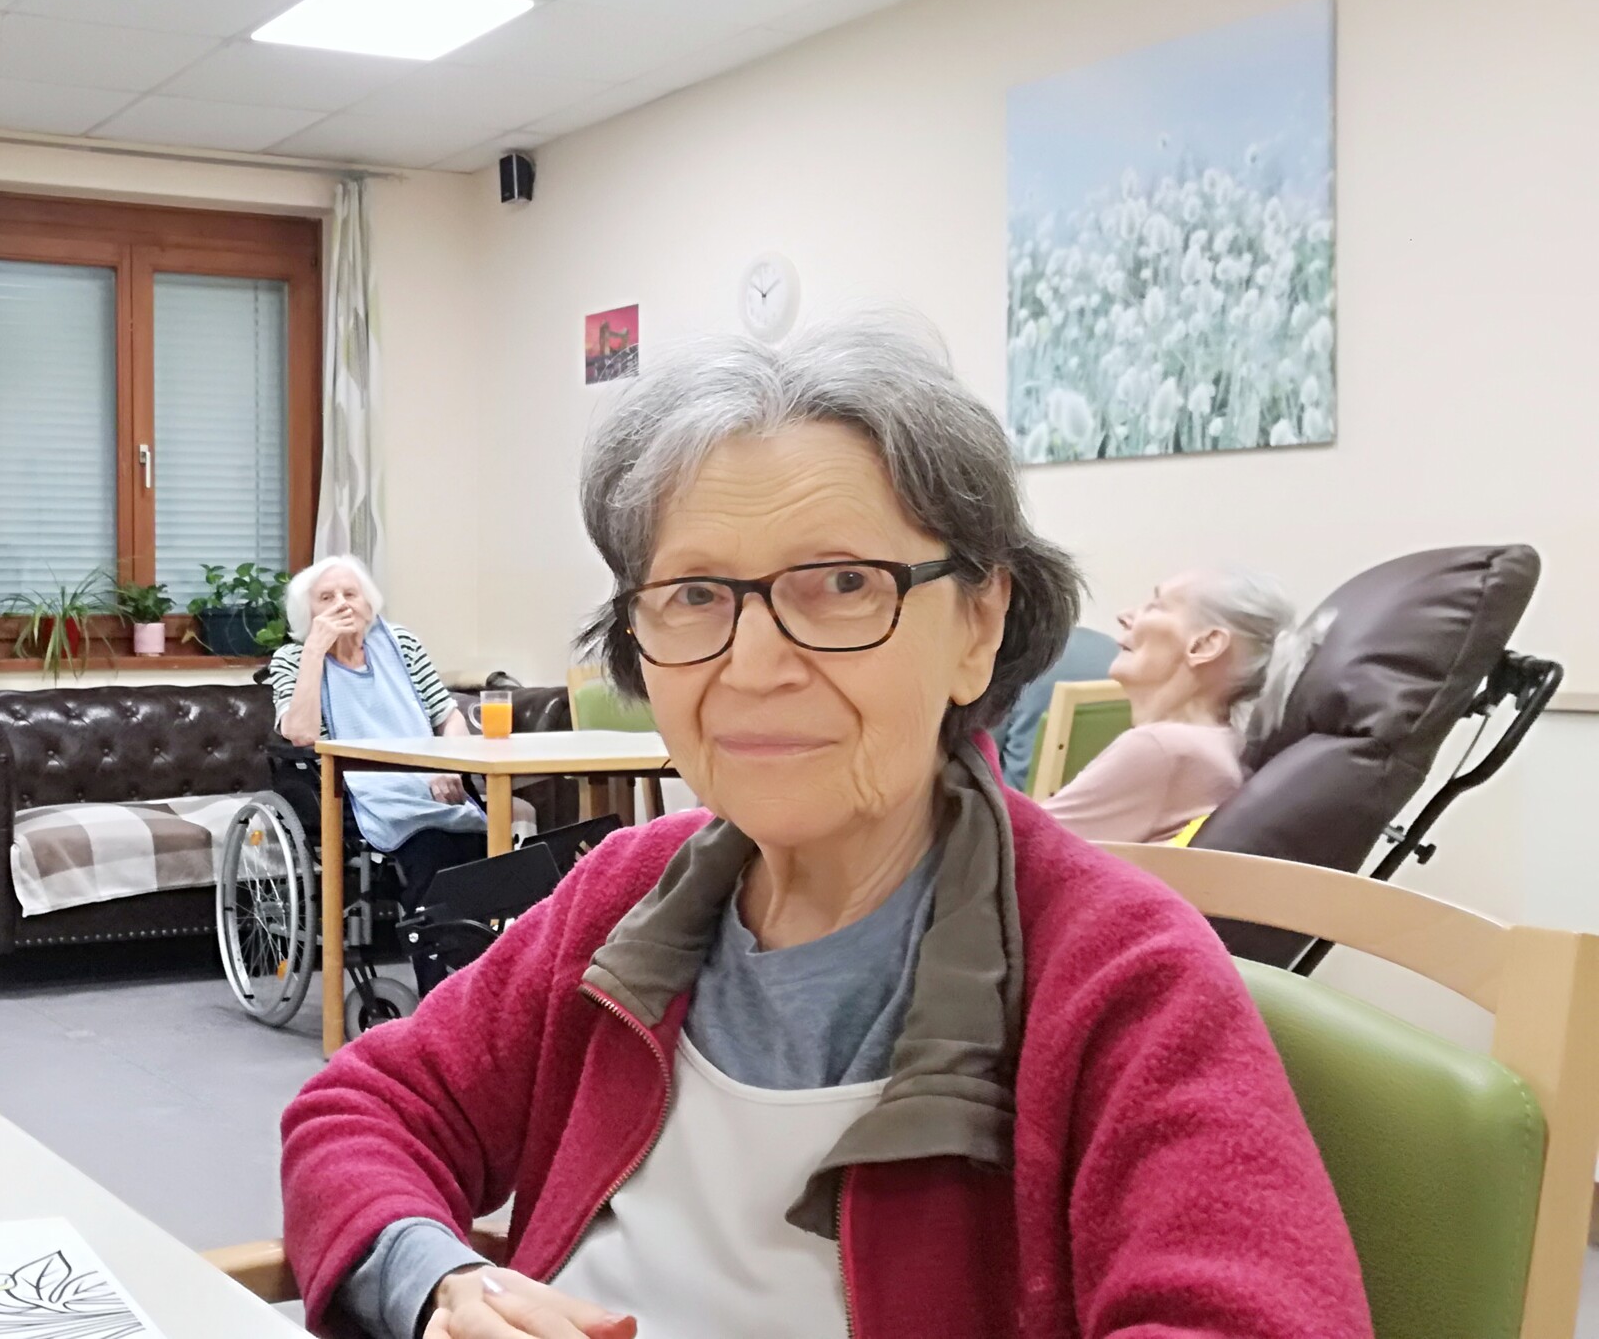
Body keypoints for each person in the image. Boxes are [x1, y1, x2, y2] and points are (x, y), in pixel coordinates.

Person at [281, 315, 1367, 1339]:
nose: (752, 667)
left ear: (976, 627)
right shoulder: (627, 895)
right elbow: (361, 1108)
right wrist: (437, 1278)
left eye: (843, 583)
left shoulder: (1121, 975)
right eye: (695, 595)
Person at [267, 556, 483, 991]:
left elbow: (448, 716)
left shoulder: (401, 643)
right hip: (364, 790)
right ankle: (442, 998)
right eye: (326, 598)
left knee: (492, 855)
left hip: (431, 779)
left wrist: (448, 762)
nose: (341, 604)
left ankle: (490, 985)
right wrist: (315, 650)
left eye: (351, 593)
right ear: (307, 614)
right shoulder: (292, 659)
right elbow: (301, 732)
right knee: (431, 854)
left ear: (370, 602)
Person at [1042, 568, 1294, 844]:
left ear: (1205, 645)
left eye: (1155, 606)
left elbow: (1012, 849)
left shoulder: (1163, 749)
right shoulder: (1219, 744)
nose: (1125, 616)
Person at [995, 624, 1117, 789]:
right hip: (1098, 804)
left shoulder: (1009, 659)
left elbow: (978, 760)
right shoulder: (1113, 651)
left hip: (1014, 807)